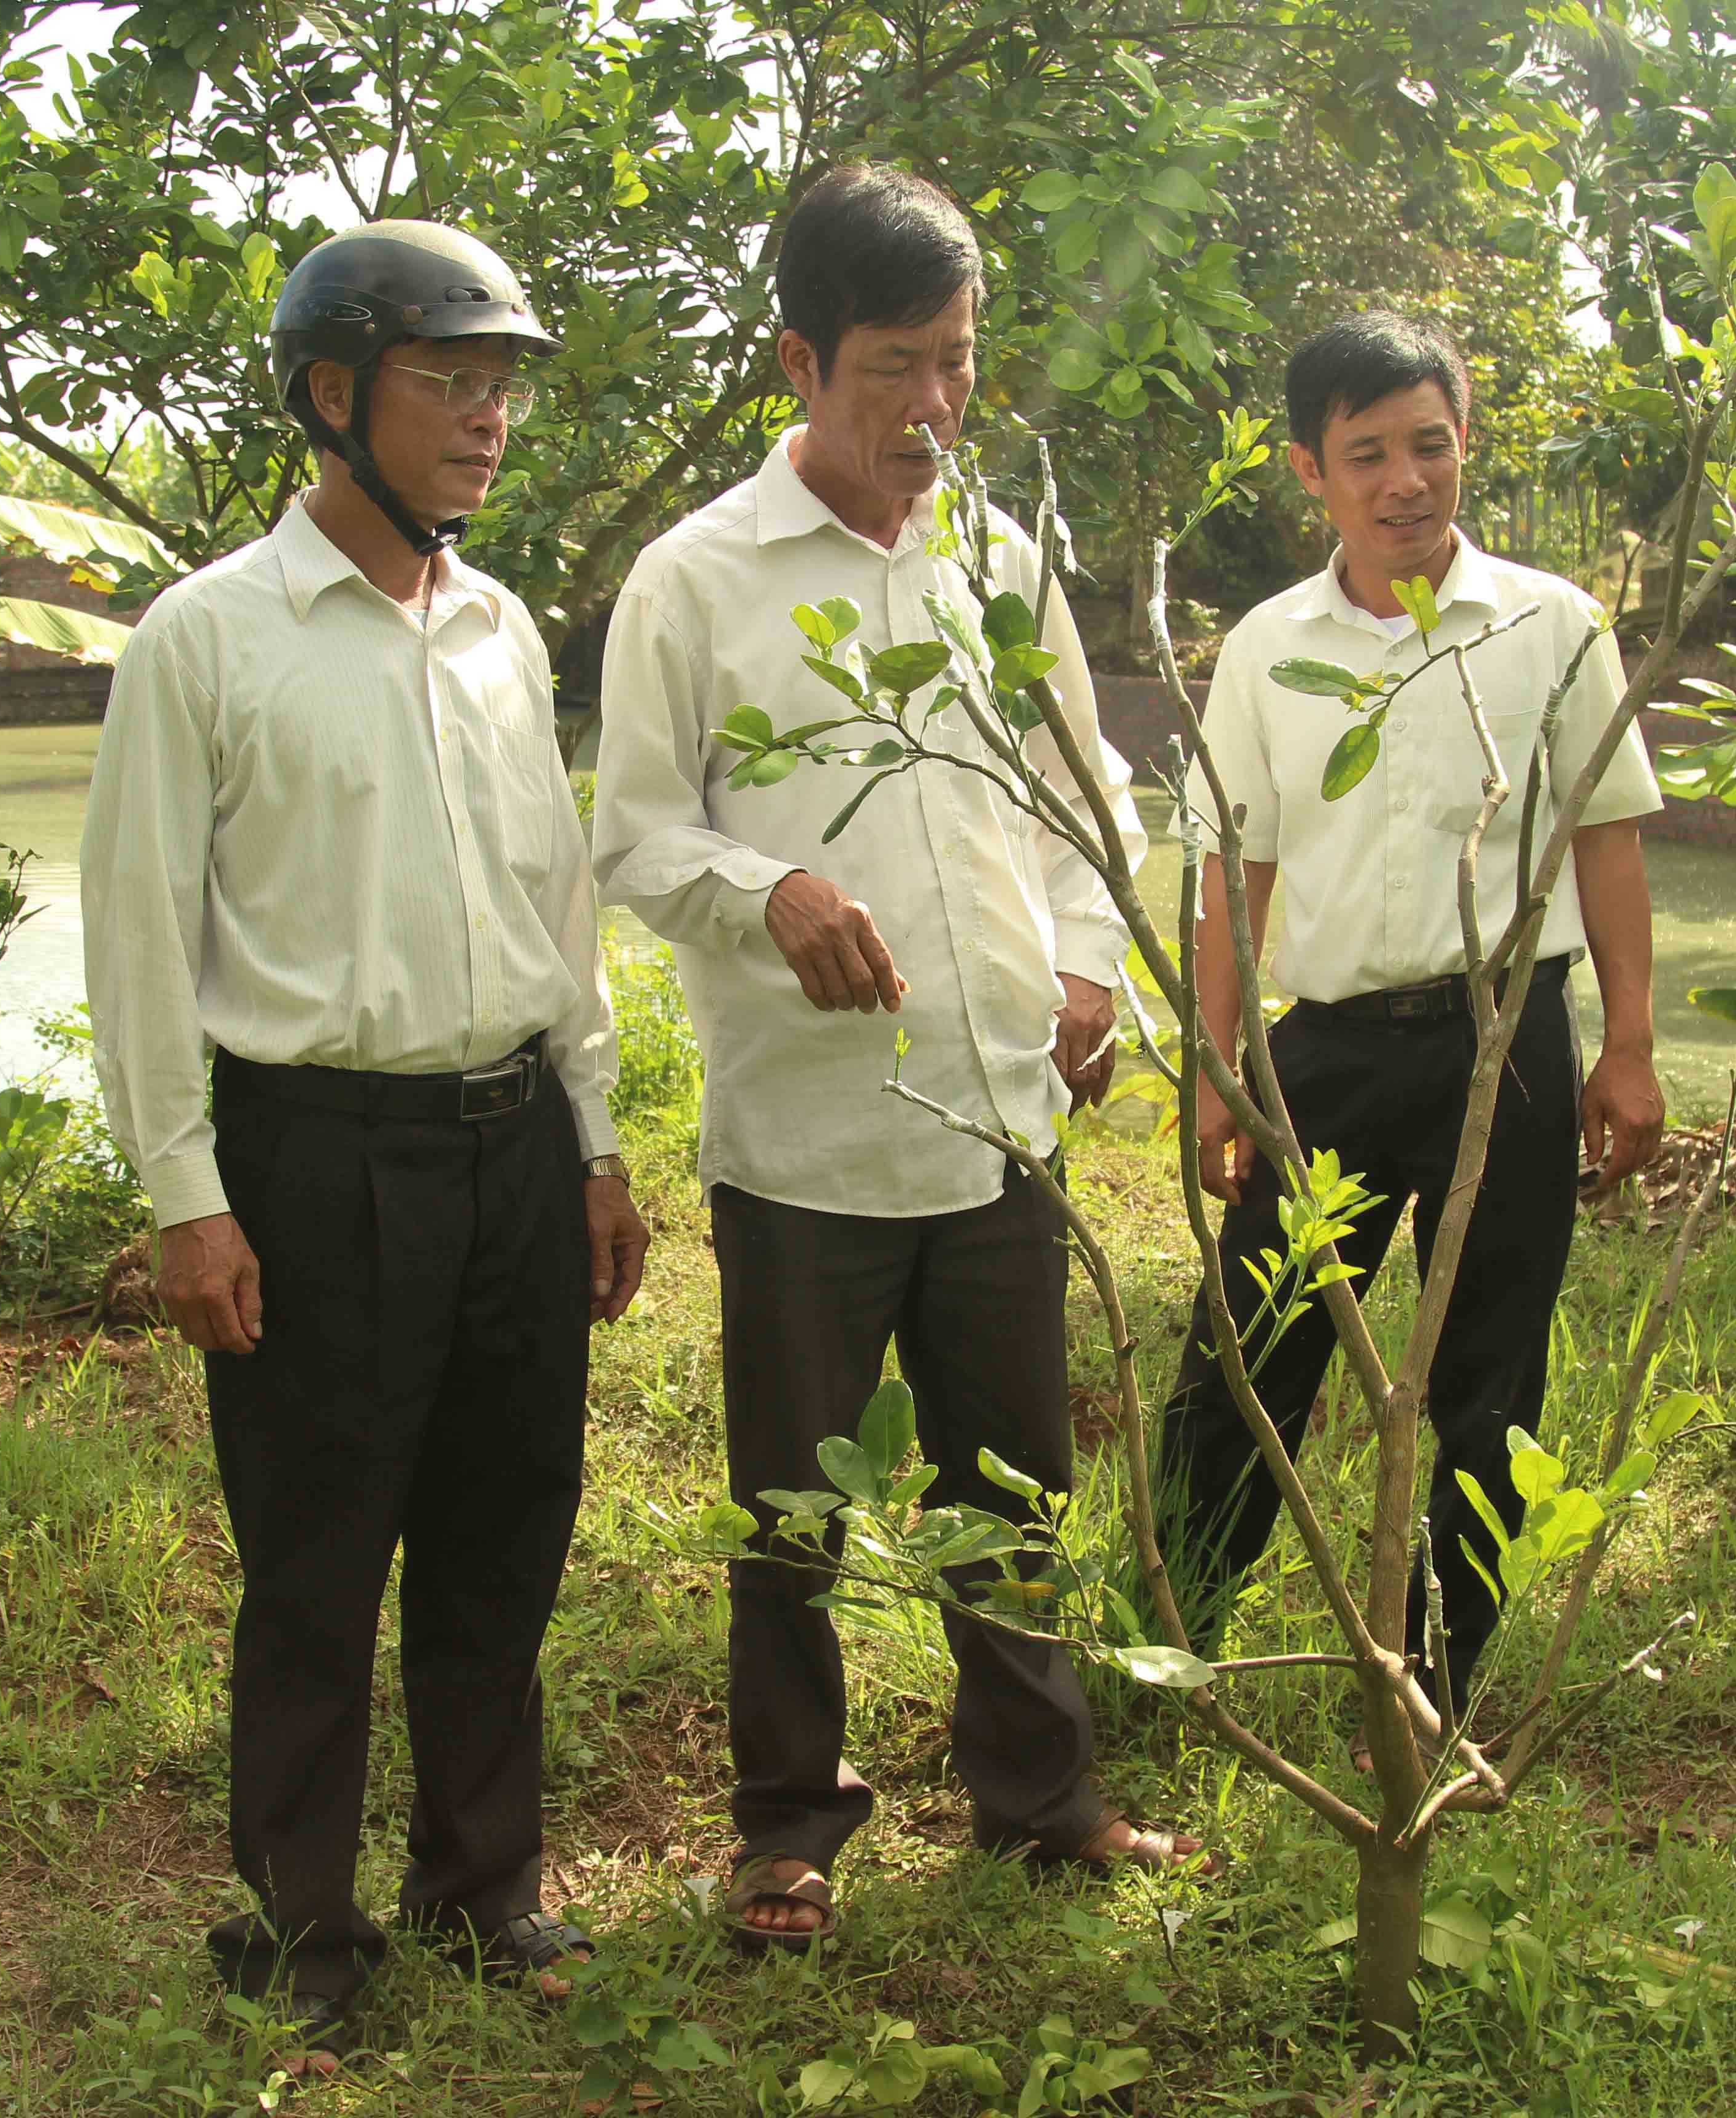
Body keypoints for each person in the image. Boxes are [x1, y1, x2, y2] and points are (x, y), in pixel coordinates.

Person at [592, 163, 1209, 1951]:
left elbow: (1091, 796)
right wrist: (763, 885)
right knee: (793, 1504)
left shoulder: (991, 562)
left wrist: (1095, 968)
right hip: (806, 1142)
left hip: (1002, 1122)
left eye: (958, 363)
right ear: (798, 360)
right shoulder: (695, 581)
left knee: (1015, 1481)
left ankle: (1041, 1798)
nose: (934, 411)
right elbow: (633, 834)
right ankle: (787, 1824)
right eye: (893, 369)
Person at [80, 220, 649, 2056]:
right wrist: (188, 1197)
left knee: (505, 1530)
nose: (490, 419)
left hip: (506, 1148)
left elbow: (552, 905)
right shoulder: (210, 641)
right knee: (319, 1556)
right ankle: (294, 1926)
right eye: (450, 381)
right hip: (314, 1156)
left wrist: (594, 1134)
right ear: (333, 395)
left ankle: (485, 1892)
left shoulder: (497, 633)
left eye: (504, 387)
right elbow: (143, 935)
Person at [1154, 309, 1666, 1728]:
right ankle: (1177, 1638)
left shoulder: (1550, 627)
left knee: (1489, 1383)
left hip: (1509, 1044)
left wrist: (1625, 1047)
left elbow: (1607, 840)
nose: (1404, 482)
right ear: (1309, 473)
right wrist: (1217, 1075)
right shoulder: (1266, 649)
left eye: (1428, 446)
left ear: (1463, 447)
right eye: (1365, 453)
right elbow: (1230, 874)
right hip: (1316, 1060)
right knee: (1250, 1347)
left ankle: (1439, 1686)